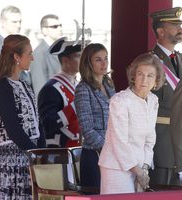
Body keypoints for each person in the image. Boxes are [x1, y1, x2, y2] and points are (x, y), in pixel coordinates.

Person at [0, 34, 46, 199]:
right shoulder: (3, 87)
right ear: (17, 57)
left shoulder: (25, 84)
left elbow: (37, 120)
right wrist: (36, 152)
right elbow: (13, 129)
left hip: (27, 157)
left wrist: (42, 150)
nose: (32, 58)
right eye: (29, 53)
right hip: (11, 161)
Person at [99, 53, 165, 194]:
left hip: (140, 167)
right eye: (140, 74)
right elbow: (119, 142)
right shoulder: (120, 101)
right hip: (116, 167)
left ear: (156, 80)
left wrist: (144, 168)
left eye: (150, 76)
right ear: (133, 75)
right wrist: (138, 172)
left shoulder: (153, 100)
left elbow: (150, 139)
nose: (144, 80)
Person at [0, 5, 31, 152]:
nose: (18, 25)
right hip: (5, 112)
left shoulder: (20, 46)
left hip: (22, 112)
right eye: (14, 22)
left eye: (19, 21)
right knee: (3, 156)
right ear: (2, 22)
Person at [74, 43, 115, 193]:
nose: (104, 63)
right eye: (98, 59)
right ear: (88, 63)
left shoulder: (109, 85)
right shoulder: (83, 88)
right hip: (94, 155)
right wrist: (109, 149)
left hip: (112, 154)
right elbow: (87, 129)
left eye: (106, 58)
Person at [149, 7, 182, 186]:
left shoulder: (181, 59)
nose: (180, 28)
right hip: (162, 143)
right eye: (175, 25)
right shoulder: (148, 62)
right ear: (160, 31)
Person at [38, 37, 81, 148]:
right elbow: (47, 123)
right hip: (61, 150)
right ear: (65, 61)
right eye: (78, 56)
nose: (82, 60)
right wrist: (74, 107)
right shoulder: (50, 89)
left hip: (78, 147)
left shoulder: (78, 85)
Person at [30, 14, 62, 98]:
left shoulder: (59, 50)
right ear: (44, 30)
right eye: (55, 26)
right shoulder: (38, 54)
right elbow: (40, 89)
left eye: (60, 25)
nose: (59, 29)